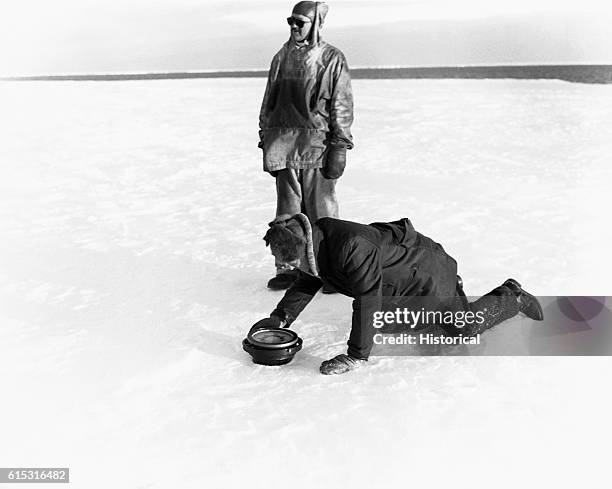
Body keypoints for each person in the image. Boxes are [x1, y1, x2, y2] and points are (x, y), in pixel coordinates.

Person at [249, 213, 544, 375]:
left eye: (291, 262)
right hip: (401, 277)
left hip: (425, 272)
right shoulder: (312, 240)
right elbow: (307, 280)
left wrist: (356, 356)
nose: (290, 268)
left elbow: (367, 300)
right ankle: (453, 294)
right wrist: (280, 318)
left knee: (462, 328)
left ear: (303, 248)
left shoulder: (351, 247)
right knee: (392, 323)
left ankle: (512, 296)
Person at [258, 1, 354, 291]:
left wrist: (339, 145)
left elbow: (342, 105)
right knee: (287, 213)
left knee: (322, 213)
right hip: (283, 148)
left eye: (300, 21)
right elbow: (269, 101)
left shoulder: (331, 58)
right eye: (291, 21)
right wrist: (265, 135)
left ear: (316, 24)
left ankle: (329, 271)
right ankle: (288, 269)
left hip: (317, 147)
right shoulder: (281, 57)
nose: (294, 27)